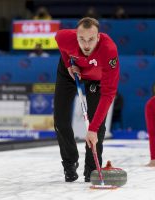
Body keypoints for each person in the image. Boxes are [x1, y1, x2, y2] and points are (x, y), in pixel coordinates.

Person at [54, 17, 120, 182]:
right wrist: (68, 65)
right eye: (82, 39)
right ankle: (70, 162)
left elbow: (109, 93)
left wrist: (92, 128)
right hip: (70, 72)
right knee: (60, 121)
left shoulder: (109, 50)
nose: (86, 45)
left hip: (95, 79)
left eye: (91, 39)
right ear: (76, 35)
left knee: (98, 128)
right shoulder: (65, 37)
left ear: (98, 37)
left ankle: (91, 170)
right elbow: (59, 41)